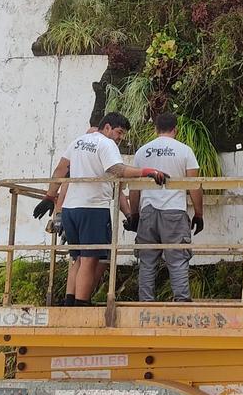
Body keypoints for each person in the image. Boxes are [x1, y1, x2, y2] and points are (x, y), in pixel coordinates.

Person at [42, 113, 166, 307]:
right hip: (92, 208)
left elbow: (60, 169)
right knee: (90, 259)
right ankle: (82, 303)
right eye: (119, 132)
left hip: (70, 210)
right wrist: (147, 172)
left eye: (122, 135)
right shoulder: (106, 145)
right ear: (107, 127)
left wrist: (50, 196)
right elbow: (118, 171)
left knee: (77, 258)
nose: (120, 138)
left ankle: (70, 300)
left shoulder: (78, 141)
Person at [128, 113, 204, 302]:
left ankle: (145, 302)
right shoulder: (184, 151)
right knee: (177, 259)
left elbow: (134, 187)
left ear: (155, 129)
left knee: (146, 261)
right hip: (174, 211)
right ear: (175, 129)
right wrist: (199, 214)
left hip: (148, 211)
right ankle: (181, 302)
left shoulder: (142, 152)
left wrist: (135, 214)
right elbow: (194, 185)